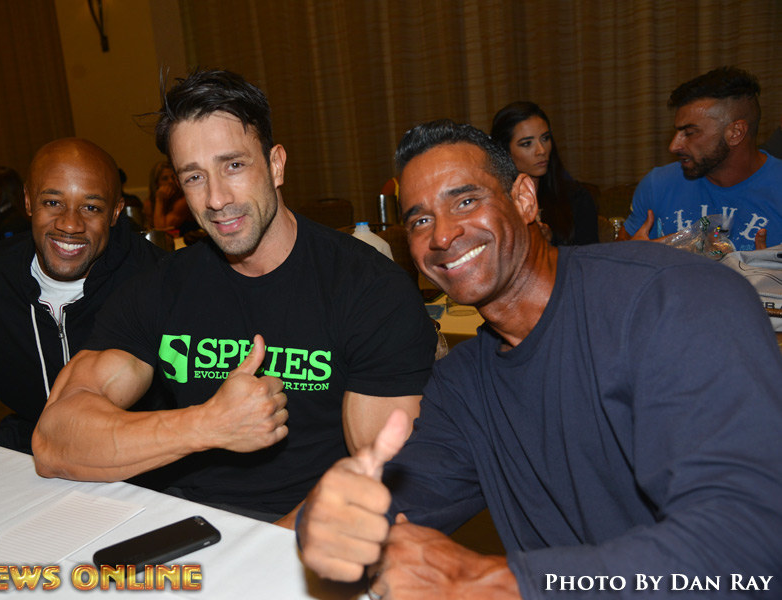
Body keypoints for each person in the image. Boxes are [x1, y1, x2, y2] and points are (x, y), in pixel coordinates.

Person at [297, 120, 782, 599]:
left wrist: (487, 581)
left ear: (525, 199)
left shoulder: (673, 300)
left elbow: (749, 551)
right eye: (420, 220)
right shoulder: (462, 384)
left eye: (466, 201)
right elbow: (396, 504)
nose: (442, 235)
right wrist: (329, 517)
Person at [31, 69, 436, 524]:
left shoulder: (368, 289)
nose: (217, 198)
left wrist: (269, 546)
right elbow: (54, 441)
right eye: (194, 177)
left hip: (306, 532)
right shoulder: (162, 286)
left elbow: (386, 479)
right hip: (183, 523)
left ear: (276, 165)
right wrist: (208, 424)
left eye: (234, 166)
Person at [0, 138, 166, 453]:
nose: (70, 224)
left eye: (91, 207)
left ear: (115, 212)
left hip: (145, 458)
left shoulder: (158, 281)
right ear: (28, 201)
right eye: (53, 202)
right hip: (28, 453)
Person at [621, 66, 782, 251]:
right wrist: (635, 254)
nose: (673, 146)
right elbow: (615, 255)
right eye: (677, 132)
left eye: (690, 133)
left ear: (735, 133)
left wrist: (770, 269)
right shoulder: (657, 184)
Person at [491, 101, 598, 246]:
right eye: (527, 144)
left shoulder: (577, 198)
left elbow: (590, 256)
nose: (541, 150)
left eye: (545, 138)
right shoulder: (494, 204)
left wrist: (549, 246)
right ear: (505, 151)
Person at [148, 159, 197, 232]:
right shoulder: (149, 204)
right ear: (156, 183)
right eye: (165, 178)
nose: (171, 181)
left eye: (173, 177)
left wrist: (159, 200)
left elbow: (161, 229)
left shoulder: (184, 201)